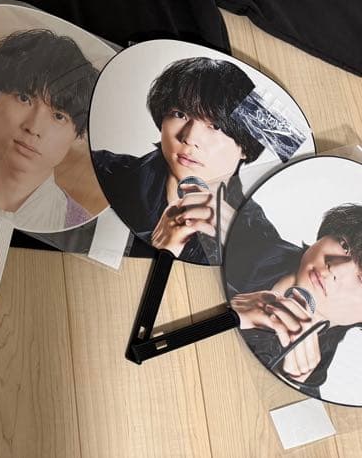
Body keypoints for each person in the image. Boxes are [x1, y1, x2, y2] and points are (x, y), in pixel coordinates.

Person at [92, 57, 266, 264]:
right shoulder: (102, 170)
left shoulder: (259, 239)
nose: (190, 138)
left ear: (246, 145)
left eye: (215, 126)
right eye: (179, 114)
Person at [0, 29, 99, 231]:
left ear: (79, 133)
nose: (33, 128)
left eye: (58, 116)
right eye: (24, 98)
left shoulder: (80, 228)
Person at [226, 201, 362, 394]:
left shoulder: (306, 379)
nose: (335, 267)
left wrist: (282, 386)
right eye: (344, 245)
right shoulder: (247, 223)